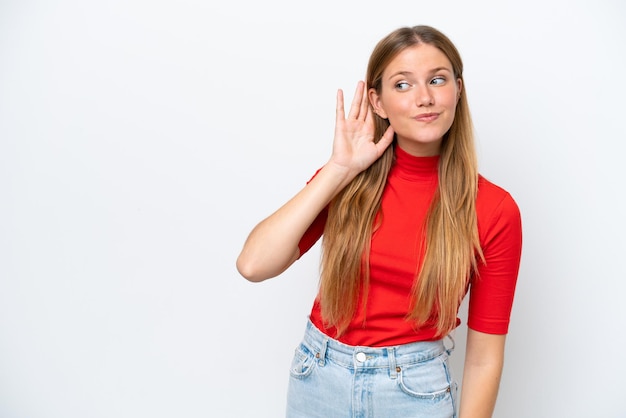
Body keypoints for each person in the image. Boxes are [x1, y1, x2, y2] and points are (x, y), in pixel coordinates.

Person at [236, 24, 522, 418]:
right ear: (378, 102)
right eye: (403, 85)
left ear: (457, 89)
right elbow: (253, 264)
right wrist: (337, 170)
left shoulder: (493, 209)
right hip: (318, 379)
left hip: (414, 393)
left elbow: (484, 359)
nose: (424, 98)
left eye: (437, 80)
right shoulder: (348, 179)